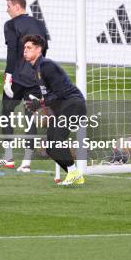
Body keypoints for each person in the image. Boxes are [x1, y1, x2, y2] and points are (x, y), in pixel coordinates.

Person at [21, 34, 86, 186]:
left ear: (39, 49)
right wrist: (39, 103)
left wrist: (40, 104)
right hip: (62, 108)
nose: (25, 50)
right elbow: (51, 96)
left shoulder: (47, 66)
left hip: (73, 105)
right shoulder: (37, 69)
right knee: (50, 148)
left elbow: (61, 93)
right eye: (24, 48)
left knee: (57, 140)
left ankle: (73, 173)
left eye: (29, 47)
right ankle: (75, 174)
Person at [0, 0, 49, 172]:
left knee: (6, 112)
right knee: (30, 117)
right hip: (35, 77)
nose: (7, 10)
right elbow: (45, 49)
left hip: (17, 77)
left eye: (9, 6)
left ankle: (9, 156)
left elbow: (12, 51)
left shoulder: (10, 25)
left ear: (17, 7)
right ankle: (26, 162)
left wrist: (8, 76)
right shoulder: (39, 24)